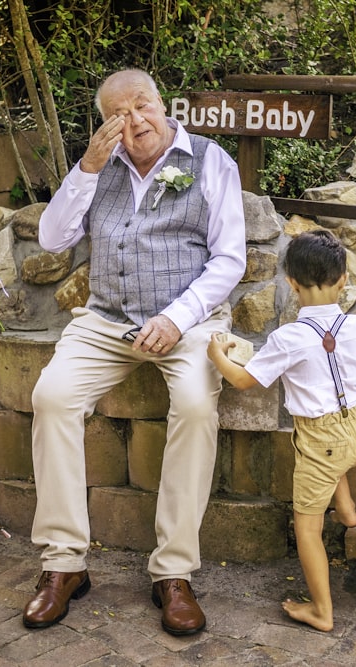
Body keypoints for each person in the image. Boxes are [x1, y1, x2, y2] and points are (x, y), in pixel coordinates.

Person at [23, 68, 246, 636]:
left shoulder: (210, 161)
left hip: (186, 323)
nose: (134, 122)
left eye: (141, 106)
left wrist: (176, 319)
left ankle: (173, 573)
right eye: (118, 115)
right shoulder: (97, 168)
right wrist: (87, 169)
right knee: (51, 396)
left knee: (196, 406)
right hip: (106, 319)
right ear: (105, 124)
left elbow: (228, 260)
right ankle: (64, 564)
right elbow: (53, 239)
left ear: (163, 104)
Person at [208, 229, 356, 632]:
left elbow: (243, 381)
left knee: (305, 527)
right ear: (344, 280)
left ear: (291, 283)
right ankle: (346, 511)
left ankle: (322, 611)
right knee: (338, 456)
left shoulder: (288, 338)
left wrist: (217, 356)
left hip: (321, 444)